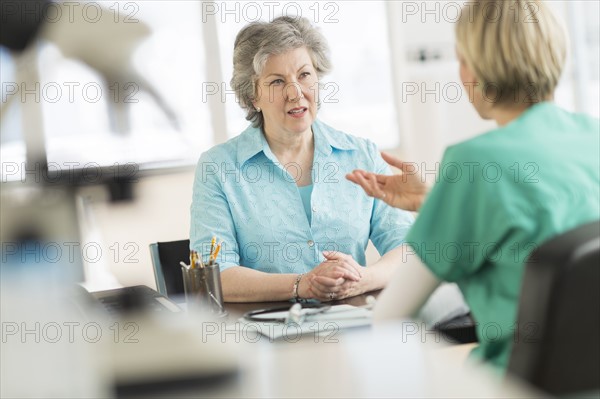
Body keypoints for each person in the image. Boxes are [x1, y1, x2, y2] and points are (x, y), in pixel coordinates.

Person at [347, 0, 599, 370]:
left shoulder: (473, 163)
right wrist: (436, 203)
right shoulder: (592, 136)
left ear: (478, 68)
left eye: (462, 59)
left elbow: (390, 318)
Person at [190, 16, 413, 303]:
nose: (295, 92)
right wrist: (301, 284)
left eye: (304, 75)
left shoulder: (362, 154)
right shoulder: (218, 168)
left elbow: (408, 248)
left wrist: (361, 279)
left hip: (352, 327)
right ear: (252, 96)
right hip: (263, 336)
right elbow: (214, 276)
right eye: (277, 81)